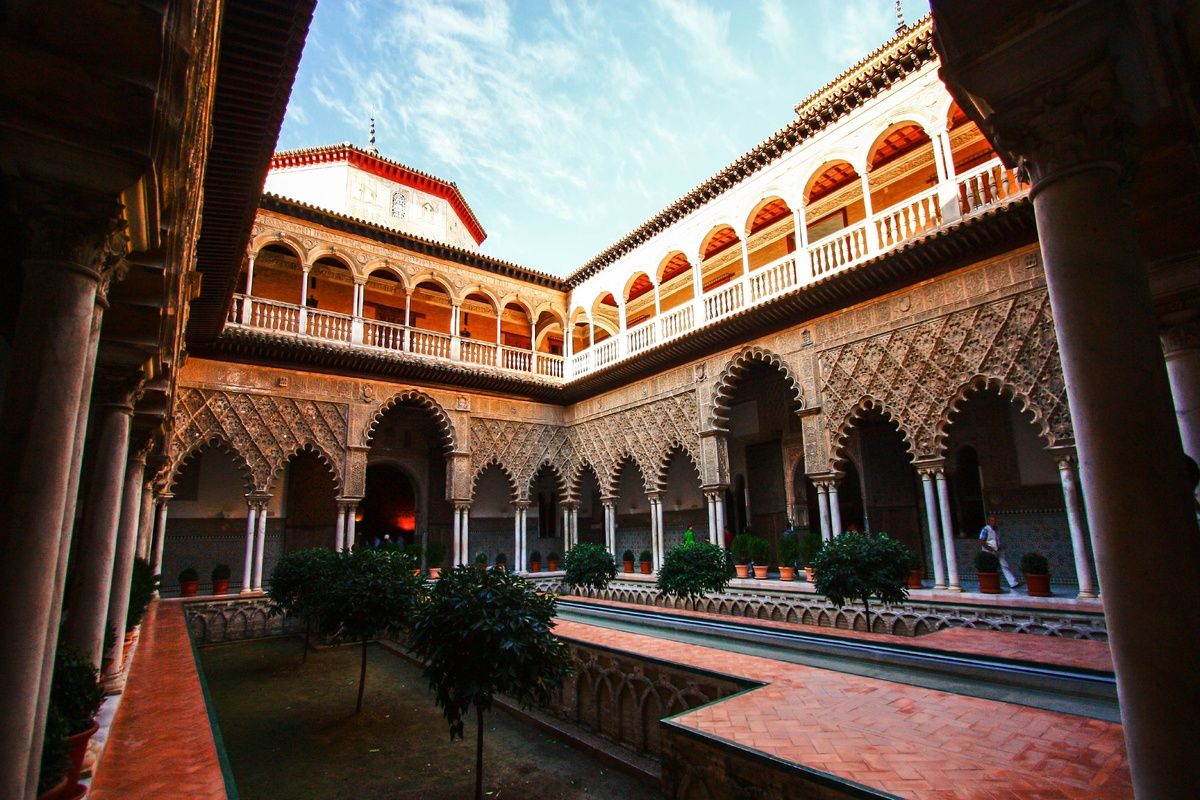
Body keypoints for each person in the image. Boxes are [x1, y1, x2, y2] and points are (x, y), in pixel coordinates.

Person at [978, 515, 1021, 589]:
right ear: (988, 521)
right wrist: (990, 549)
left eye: (994, 520)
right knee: (988, 568)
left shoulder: (997, 530)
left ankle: (1013, 583)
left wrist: (999, 547)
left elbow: (996, 540)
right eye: (992, 520)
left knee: (1004, 565)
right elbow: (981, 541)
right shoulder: (986, 529)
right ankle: (985, 585)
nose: (993, 522)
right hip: (989, 552)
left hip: (998, 551)